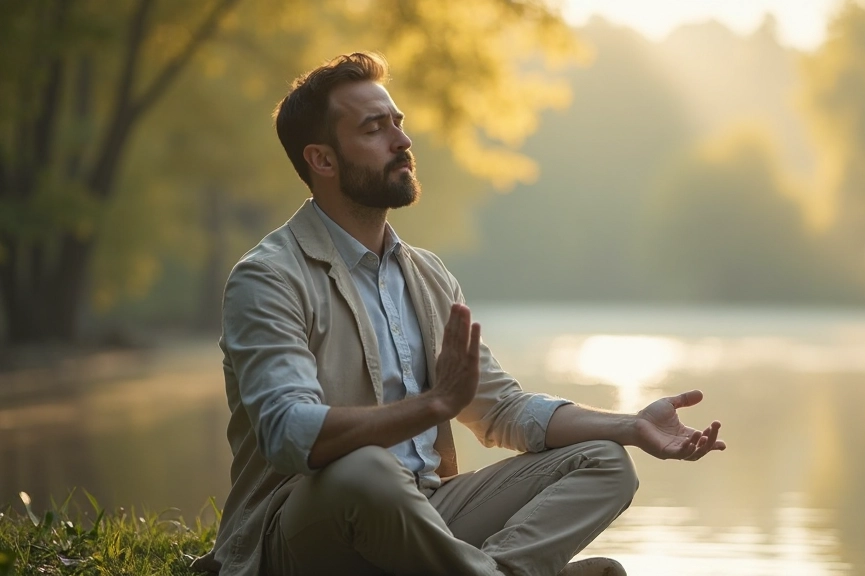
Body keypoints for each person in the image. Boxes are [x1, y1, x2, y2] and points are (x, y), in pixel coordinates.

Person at [192, 52, 726, 576]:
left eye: (397, 124)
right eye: (374, 129)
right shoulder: (268, 277)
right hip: (298, 534)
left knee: (607, 461)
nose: (402, 141)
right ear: (323, 160)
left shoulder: (427, 277)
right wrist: (433, 405)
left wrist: (632, 425)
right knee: (366, 469)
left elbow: (503, 410)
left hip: (426, 518)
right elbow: (289, 433)